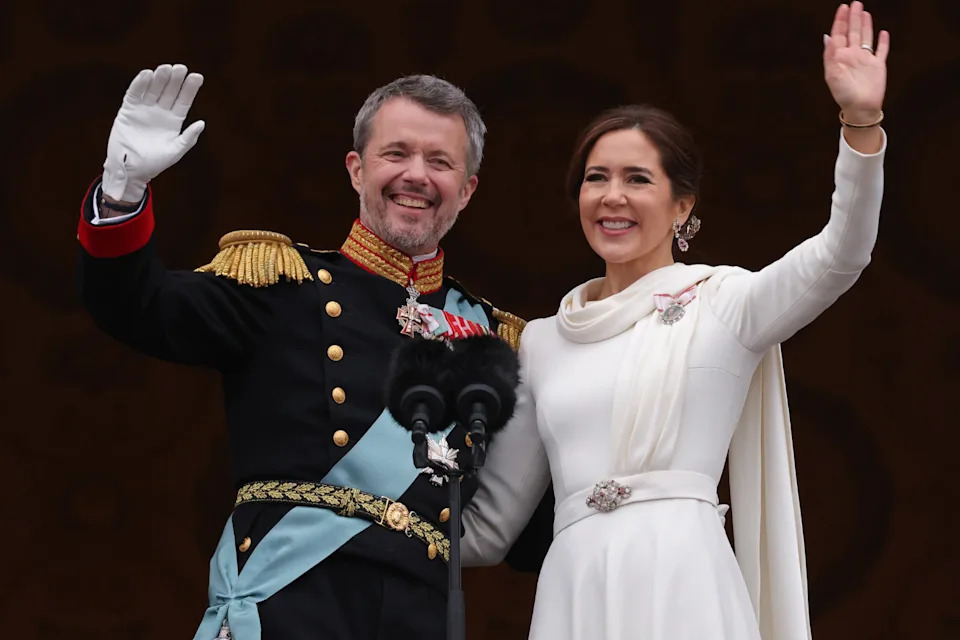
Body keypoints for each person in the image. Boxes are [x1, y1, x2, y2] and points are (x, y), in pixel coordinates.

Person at [460, 3, 888, 638]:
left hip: (682, 578)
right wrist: (354, 514)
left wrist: (861, 122)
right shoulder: (543, 340)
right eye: (596, 178)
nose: (612, 196)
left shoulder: (725, 302)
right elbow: (489, 527)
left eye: (638, 179)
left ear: (682, 204)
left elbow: (841, 252)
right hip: (575, 590)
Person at [76, 66, 535, 640]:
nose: (416, 175)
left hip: (419, 622)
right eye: (396, 154)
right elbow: (135, 306)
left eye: (440, 162)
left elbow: (538, 522)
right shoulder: (283, 286)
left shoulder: (494, 340)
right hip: (288, 610)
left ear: (466, 189)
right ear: (356, 169)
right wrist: (122, 193)